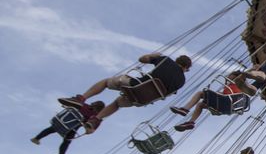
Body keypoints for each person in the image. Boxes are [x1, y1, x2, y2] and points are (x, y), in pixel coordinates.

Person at [59, 52, 192, 125]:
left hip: (135, 85)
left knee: (106, 82)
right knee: (118, 103)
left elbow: (142, 59)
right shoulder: (182, 82)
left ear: (177, 60)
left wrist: (154, 55)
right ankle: (96, 120)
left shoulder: (165, 60)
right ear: (186, 68)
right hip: (142, 99)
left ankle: (81, 98)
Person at [170, 71, 256, 131]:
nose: (228, 76)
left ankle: (185, 109)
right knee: (200, 104)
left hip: (226, 102)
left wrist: (253, 70)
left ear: (235, 76)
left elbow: (243, 76)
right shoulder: (230, 87)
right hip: (225, 106)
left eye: (230, 75)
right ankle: (190, 122)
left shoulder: (237, 84)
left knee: (200, 93)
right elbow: (228, 95)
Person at [31, 100, 105, 154]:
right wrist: (87, 129)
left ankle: (36, 138)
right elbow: (90, 128)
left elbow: (69, 104)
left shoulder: (82, 105)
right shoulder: (94, 116)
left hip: (61, 121)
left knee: (50, 129)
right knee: (67, 141)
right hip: (71, 128)